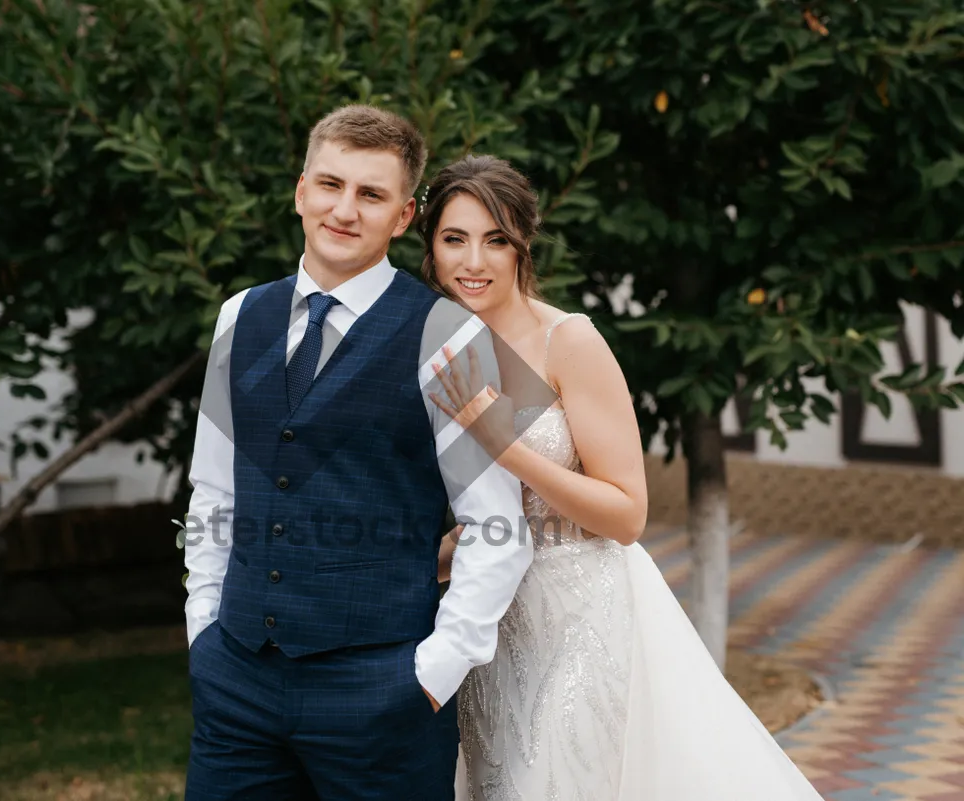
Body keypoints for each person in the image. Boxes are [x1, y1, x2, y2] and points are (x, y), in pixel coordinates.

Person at [424, 154, 825, 801]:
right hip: (491, 624)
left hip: (582, 611)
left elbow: (627, 512)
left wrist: (505, 443)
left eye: (495, 238)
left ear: (524, 240)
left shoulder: (568, 341)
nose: (474, 260)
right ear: (431, 247)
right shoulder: (441, 351)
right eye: (454, 239)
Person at [181, 107, 533, 800]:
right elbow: (215, 491)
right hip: (237, 684)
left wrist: (433, 673)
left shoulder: (447, 332)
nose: (344, 209)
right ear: (300, 190)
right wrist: (203, 631)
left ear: (402, 217)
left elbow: (499, 526)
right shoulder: (240, 315)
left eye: (370, 195)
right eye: (330, 185)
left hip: (384, 695)